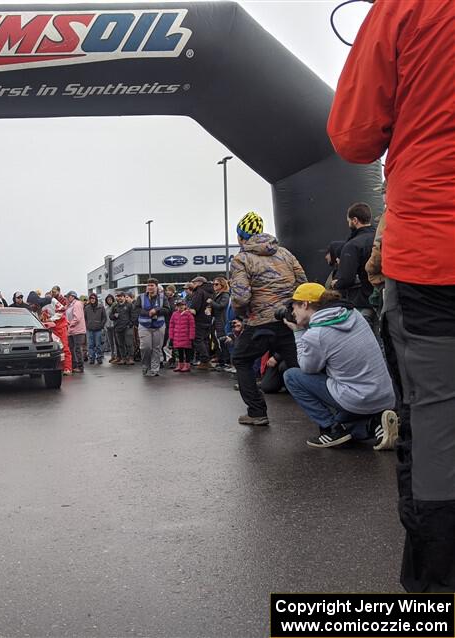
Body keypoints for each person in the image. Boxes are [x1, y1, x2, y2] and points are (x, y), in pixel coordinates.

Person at [328, 0, 455, 592]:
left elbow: (354, 137)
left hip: (436, 254)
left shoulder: (406, 7)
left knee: (437, 431)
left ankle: (436, 602)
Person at [281, 283, 397, 449]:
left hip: (358, 398)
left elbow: (308, 368)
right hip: (385, 395)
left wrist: (298, 332)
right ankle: (376, 424)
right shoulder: (353, 313)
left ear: (305, 304)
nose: (292, 313)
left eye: (294, 307)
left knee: (292, 376)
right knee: (345, 418)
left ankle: (332, 429)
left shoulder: (316, 334)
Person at [230, 211, 307, 426]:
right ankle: (325, 416)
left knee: (242, 360)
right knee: (298, 366)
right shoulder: (285, 253)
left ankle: (256, 412)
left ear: (241, 236)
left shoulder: (241, 259)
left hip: (260, 323)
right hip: (288, 321)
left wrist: (242, 314)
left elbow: (241, 296)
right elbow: (303, 282)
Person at [332, 202, 377, 334]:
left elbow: (346, 279)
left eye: (349, 221)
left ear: (355, 220)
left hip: (364, 301)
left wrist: (336, 283)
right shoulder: (381, 237)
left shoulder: (353, 245)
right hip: (386, 296)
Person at [133, 278, 171, 377]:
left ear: (156, 287)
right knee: (146, 347)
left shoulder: (163, 298)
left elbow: (167, 310)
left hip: (159, 326)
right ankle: (145, 365)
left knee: (156, 348)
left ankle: (155, 369)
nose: (150, 287)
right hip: (144, 326)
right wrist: (148, 313)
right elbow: (136, 309)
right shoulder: (140, 297)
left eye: (152, 285)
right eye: (148, 285)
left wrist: (156, 310)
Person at [188, 276, 214, 369]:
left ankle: (204, 360)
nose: (192, 285)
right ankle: (207, 360)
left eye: (193, 283)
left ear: (199, 283)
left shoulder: (199, 291)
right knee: (205, 340)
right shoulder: (210, 291)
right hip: (208, 318)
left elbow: (195, 307)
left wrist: (190, 310)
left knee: (198, 340)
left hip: (199, 319)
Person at [209, 277, 231, 369]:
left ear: (223, 285)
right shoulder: (217, 294)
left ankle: (225, 362)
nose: (214, 286)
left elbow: (222, 306)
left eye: (216, 284)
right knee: (217, 341)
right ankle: (222, 360)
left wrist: (212, 302)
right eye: (213, 284)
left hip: (221, 320)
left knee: (222, 341)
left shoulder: (225, 295)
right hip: (216, 320)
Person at [169, 299, 195, 372]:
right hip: (177, 336)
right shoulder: (174, 314)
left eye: (182, 305)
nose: (180, 307)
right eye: (179, 305)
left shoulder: (189, 315)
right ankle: (180, 365)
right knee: (179, 351)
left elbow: (192, 326)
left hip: (186, 337)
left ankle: (187, 365)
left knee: (187, 352)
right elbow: (171, 325)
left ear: (185, 306)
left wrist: (191, 337)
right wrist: (171, 337)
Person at [65, 291, 86, 373]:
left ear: (73, 296)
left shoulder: (77, 304)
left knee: (77, 349)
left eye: (68, 296)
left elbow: (77, 318)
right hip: (71, 330)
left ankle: (80, 367)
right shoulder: (70, 305)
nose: (67, 298)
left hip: (78, 330)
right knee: (71, 349)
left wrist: (69, 325)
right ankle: (74, 366)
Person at [111, 291, 134, 365]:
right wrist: (114, 316)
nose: (119, 298)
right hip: (118, 327)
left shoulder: (129, 305)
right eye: (118, 296)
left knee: (129, 343)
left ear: (124, 297)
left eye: (121, 296)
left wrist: (130, 324)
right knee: (120, 344)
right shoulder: (115, 306)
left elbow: (133, 315)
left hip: (127, 327)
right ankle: (123, 358)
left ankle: (130, 358)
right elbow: (110, 316)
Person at [84, 293, 106, 364]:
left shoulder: (101, 307)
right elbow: (84, 318)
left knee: (98, 344)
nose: (92, 300)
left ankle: (99, 357)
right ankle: (92, 358)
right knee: (90, 345)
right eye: (91, 298)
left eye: (93, 298)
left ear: (96, 299)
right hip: (89, 329)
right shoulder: (87, 308)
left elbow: (104, 317)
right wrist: (87, 325)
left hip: (98, 329)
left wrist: (101, 325)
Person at [104, 294, 118, 363]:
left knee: (115, 342)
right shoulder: (106, 308)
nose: (109, 301)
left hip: (114, 326)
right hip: (108, 327)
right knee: (111, 343)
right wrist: (105, 326)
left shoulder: (115, 306)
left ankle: (116, 356)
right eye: (108, 300)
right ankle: (112, 355)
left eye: (110, 299)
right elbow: (105, 318)